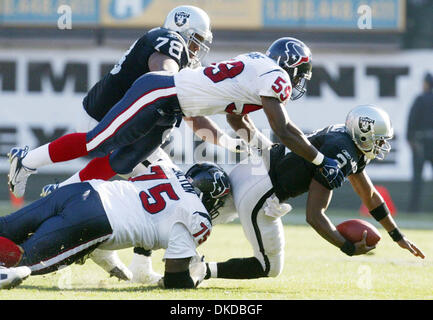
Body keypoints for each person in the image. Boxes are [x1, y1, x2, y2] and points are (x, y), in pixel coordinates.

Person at [191, 105, 425, 281]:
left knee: (197, 221)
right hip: (263, 190)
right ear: (363, 133)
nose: (381, 146)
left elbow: (369, 195)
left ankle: (175, 260)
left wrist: (397, 235)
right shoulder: (342, 151)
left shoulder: (346, 141)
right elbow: (314, 215)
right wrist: (347, 246)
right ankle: (199, 270)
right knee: (269, 266)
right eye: (377, 140)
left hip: (256, 171)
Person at [0, 159, 231, 290]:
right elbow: (175, 280)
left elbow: (127, 162)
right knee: (20, 261)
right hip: (96, 220)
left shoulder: (169, 170)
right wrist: (198, 273)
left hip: (84, 189)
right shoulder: (196, 216)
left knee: (6, 227)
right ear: (211, 198)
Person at [406, 72, 433, 213]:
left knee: (417, 179)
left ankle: (413, 209)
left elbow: (411, 121)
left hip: (420, 143)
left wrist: (410, 140)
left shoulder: (420, 99)